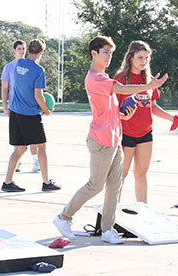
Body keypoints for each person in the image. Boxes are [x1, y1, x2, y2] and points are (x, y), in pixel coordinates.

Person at [53, 36, 168, 244]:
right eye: (105, 52)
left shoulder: (103, 76)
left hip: (115, 139)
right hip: (101, 140)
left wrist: (123, 115)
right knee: (95, 185)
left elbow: (113, 108)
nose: (109, 56)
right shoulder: (95, 79)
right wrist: (149, 86)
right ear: (94, 53)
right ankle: (64, 217)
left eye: (111, 53)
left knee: (114, 187)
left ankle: (107, 230)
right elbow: (121, 89)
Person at [114, 40, 178, 204]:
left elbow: (152, 106)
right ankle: (112, 215)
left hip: (145, 133)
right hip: (126, 134)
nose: (144, 62)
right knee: (120, 177)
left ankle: (143, 212)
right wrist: (122, 116)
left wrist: (172, 118)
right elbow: (113, 108)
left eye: (146, 58)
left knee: (141, 175)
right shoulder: (121, 79)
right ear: (131, 57)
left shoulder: (150, 80)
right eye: (140, 57)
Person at [1, 38, 60, 192]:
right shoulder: (38, 70)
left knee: (19, 149)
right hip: (29, 113)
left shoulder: (19, 64)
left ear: (28, 51)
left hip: (15, 112)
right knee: (41, 147)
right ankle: (46, 182)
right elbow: (38, 95)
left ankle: (7, 182)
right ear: (41, 52)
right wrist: (47, 111)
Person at [1, 40, 40, 172]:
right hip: (15, 106)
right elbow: (5, 88)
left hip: (29, 107)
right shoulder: (9, 68)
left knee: (33, 137)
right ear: (14, 50)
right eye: (19, 48)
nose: (21, 51)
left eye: (23, 48)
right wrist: (5, 106)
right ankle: (18, 163)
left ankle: (36, 162)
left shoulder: (32, 65)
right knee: (17, 138)